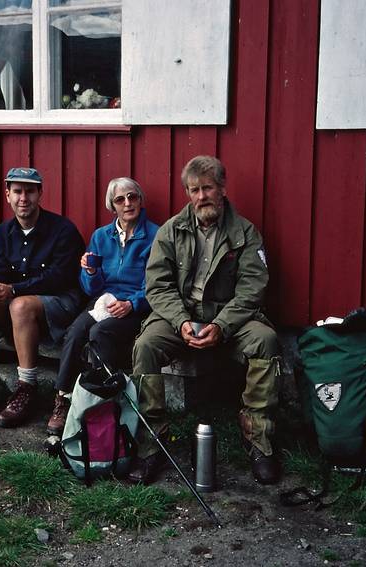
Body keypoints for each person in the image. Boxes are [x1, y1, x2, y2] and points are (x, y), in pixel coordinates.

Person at [132, 155, 282, 485]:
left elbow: (253, 288)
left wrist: (223, 326)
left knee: (266, 340)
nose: (202, 196)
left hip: (231, 319)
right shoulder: (172, 230)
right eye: (194, 189)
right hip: (180, 318)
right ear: (187, 192)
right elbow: (157, 285)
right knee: (145, 345)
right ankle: (152, 441)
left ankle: (258, 437)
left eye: (208, 188)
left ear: (222, 189)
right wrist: (180, 321)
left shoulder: (244, 233)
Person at [0, 167, 85, 426]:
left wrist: (14, 290)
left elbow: (60, 278)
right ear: (7, 195)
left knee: (19, 305)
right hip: (20, 307)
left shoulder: (62, 229)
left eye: (30, 191)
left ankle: (26, 387)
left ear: (40, 193)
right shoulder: (0, 234)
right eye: (17, 191)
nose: (23, 198)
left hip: (61, 302)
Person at [45, 177, 159, 436]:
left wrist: (132, 303)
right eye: (120, 199)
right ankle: (63, 399)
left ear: (140, 201)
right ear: (112, 206)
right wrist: (91, 271)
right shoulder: (101, 236)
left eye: (133, 197)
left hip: (135, 307)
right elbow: (90, 289)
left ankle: (104, 404)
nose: (128, 203)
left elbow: (157, 285)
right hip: (103, 302)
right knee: (74, 333)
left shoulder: (155, 235)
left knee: (99, 333)